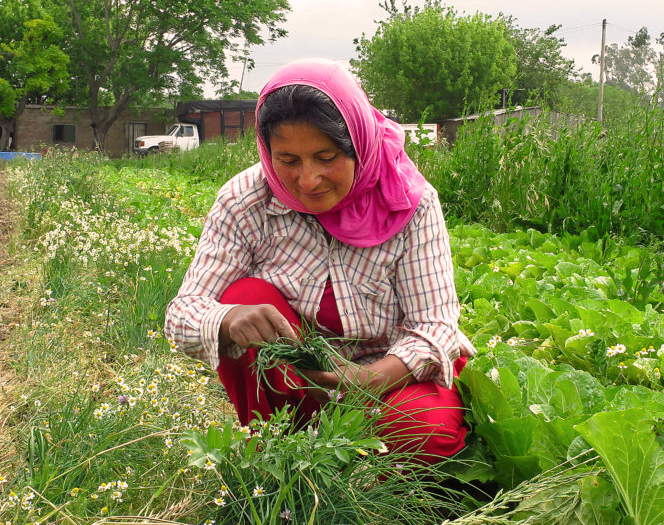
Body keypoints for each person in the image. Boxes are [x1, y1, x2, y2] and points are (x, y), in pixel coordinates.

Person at [164, 58, 476, 463]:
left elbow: (435, 326)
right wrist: (226, 320)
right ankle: (281, 459)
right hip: (296, 385)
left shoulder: (408, 202)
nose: (307, 180)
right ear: (266, 149)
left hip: (388, 380)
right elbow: (182, 315)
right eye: (288, 160)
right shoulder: (245, 201)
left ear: (358, 144)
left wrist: (368, 379)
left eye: (326, 157)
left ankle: (361, 491)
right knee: (242, 297)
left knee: (425, 431)